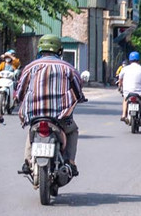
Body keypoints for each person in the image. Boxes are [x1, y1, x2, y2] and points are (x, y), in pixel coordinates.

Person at [13, 34, 86, 176]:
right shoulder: (68, 68)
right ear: (60, 51)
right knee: (73, 131)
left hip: (35, 114)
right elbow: (78, 90)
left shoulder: (30, 67)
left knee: (33, 130)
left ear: (40, 50)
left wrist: (20, 99)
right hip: (60, 116)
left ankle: (27, 161)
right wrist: (80, 98)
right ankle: (70, 161)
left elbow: (20, 92)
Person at [118, 50, 141, 122]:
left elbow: (120, 79)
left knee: (125, 99)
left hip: (128, 92)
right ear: (139, 60)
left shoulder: (125, 69)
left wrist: (120, 85)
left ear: (130, 60)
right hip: (140, 93)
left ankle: (123, 115)